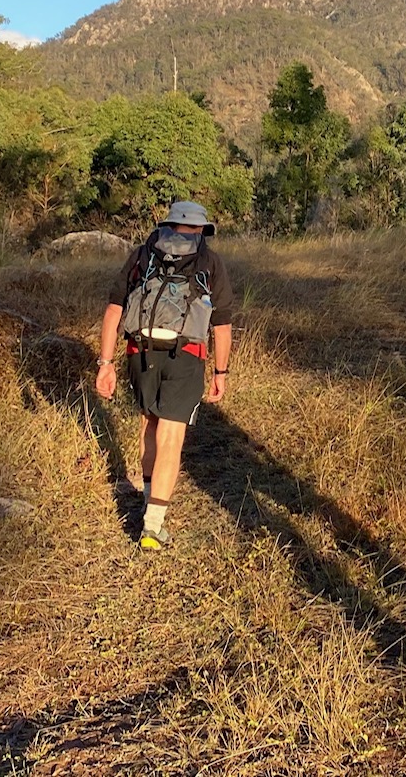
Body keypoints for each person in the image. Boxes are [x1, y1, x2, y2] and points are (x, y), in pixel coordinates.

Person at [95, 200, 235, 550]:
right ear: (202, 228)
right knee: (171, 434)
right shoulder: (210, 261)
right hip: (185, 355)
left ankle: (146, 500)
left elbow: (114, 310)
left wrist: (105, 363)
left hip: (139, 352)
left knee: (149, 424)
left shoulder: (142, 255)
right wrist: (221, 371)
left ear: (168, 224)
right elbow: (222, 324)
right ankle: (153, 527)